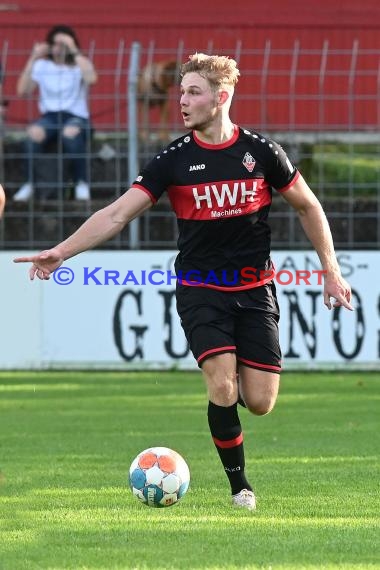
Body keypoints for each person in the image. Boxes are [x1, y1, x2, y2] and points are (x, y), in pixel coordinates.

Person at [14, 53, 353, 511]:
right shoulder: (172, 160)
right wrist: (61, 251)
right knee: (222, 387)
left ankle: (238, 442)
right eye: (182, 92)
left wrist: (331, 272)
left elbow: (309, 207)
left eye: (193, 92)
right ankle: (240, 488)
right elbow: (116, 213)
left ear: (222, 97)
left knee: (259, 402)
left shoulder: (261, 153)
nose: (183, 102)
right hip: (201, 289)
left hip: (256, 289)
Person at [13, 25, 98, 202]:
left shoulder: (78, 64)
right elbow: (22, 90)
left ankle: (81, 183)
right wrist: (34, 56)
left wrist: (73, 48)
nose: (59, 47)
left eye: (64, 43)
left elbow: (92, 78)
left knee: (71, 134)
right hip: (50, 117)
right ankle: (30, 184)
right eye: (56, 43)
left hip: (77, 117)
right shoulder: (42, 65)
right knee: (32, 136)